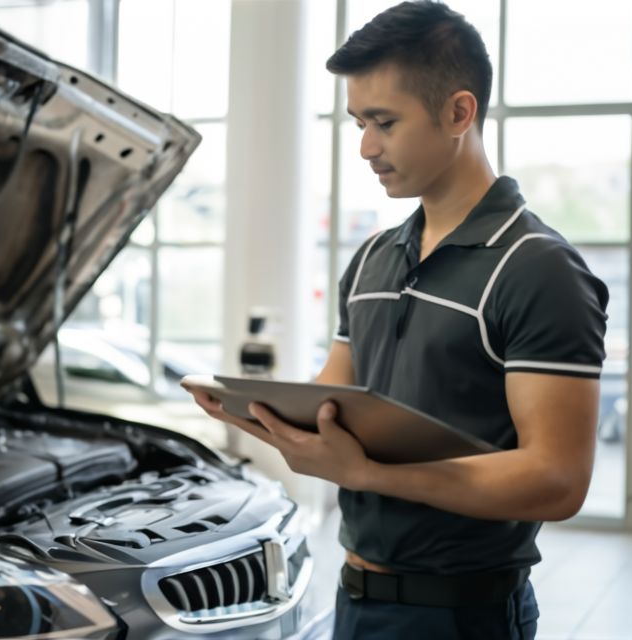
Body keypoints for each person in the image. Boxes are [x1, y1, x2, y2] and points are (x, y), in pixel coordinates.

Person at [187, 2, 609, 638]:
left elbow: (556, 479)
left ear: (459, 112)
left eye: (384, 122)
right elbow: (337, 399)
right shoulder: (374, 257)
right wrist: (268, 414)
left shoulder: (538, 269)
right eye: (359, 122)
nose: (365, 147)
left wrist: (365, 474)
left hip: (462, 615)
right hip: (355, 597)